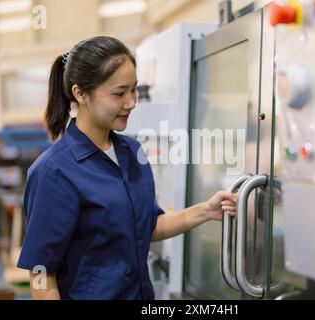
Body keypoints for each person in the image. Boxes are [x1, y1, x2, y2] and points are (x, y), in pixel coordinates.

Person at [17, 36, 237, 300]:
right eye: (119, 93)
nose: (131, 102)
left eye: (133, 90)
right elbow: (41, 273)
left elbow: (147, 226)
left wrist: (206, 210)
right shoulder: (54, 172)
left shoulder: (132, 152)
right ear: (81, 94)